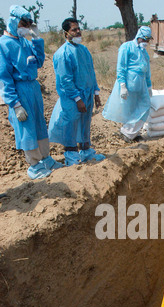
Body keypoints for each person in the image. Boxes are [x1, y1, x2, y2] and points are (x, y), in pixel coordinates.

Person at [0, 5, 63, 180]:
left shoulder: (25, 42)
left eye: (29, 24)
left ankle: (46, 158)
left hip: (33, 87)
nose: (26, 27)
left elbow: (39, 62)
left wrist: (36, 39)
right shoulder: (3, 45)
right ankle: (34, 165)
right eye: (23, 23)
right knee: (26, 127)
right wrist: (15, 104)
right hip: (19, 90)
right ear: (13, 21)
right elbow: (4, 77)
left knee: (39, 124)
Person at [48, 18, 105, 166]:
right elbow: (65, 79)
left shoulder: (84, 50)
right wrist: (77, 99)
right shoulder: (63, 54)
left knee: (85, 122)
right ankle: (71, 155)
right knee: (71, 124)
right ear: (66, 33)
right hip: (72, 97)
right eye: (74, 29)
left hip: (87, 93)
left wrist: (96, 93)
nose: (78, 31)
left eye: (79, 28)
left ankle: (86, 151)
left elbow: (90, 72)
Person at [102, 26, 153, 142]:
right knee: (129, 109)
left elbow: (147, 70)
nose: (146, 42)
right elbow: (121, 67)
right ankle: (130, 134)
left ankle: (128, 132)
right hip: (129, 83)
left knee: (144, 106)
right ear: (139, 37)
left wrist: (149, 86)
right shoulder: (126, 47)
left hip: (141, 84)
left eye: (148, 40)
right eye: (144, 39)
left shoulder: (144, 52)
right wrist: (122, 86)